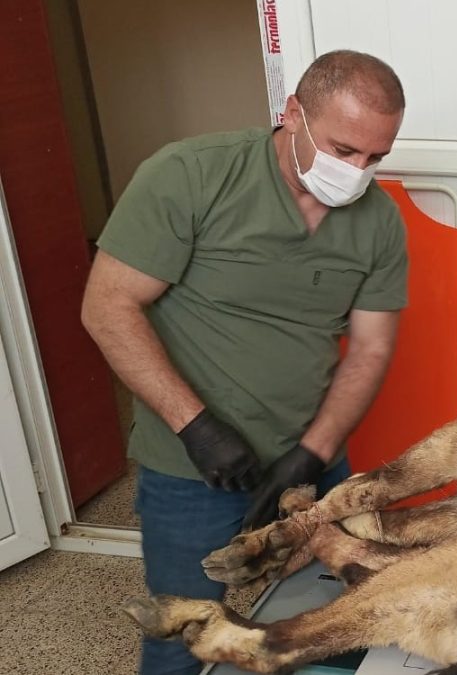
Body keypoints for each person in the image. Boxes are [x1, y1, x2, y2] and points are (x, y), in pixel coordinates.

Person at [81, 50, 408, 675]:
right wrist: (195, 427)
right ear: (292, 115)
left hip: (309, 458)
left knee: (334, 616)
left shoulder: (379, 222)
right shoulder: (191, 176)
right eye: (343, 150)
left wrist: (313, 451)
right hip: (191, 469)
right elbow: (107, 307)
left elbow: (370, 348)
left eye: (376, 158)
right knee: (183, 628)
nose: (358, 173)